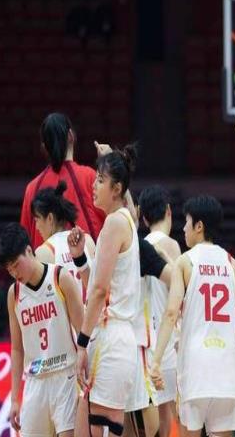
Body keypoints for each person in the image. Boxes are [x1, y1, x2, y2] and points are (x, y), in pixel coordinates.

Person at [150, 195, 235, 437]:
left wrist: (156, 360)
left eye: (187, 222)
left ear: (199, 226)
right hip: (227, 370)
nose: (183, 228)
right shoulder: (232, 263)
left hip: (195, 368)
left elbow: (171, 314)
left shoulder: (185, 262)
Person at [74, 145, 141, 437]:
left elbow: (100, 292)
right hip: (117, 339)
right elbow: (99, 286)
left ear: (116, 189)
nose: (94, 185)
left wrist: (81, 344)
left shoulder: (115, 223)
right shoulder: (125, 220)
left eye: (100, 180)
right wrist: (80, 258)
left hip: (110, 338)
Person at [0, 223, 83, 436]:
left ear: (29, 250)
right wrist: (14, 399)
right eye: (9, 269)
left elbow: (83, 331)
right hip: (35, 381)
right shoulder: (14, 294)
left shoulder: (60, 278)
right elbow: (17, 349)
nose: (14, 273)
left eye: (16, 265)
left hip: (66, 375)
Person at [20, 112, 105, 249]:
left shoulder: (32, 188)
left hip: (46, 262)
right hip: (87, 261)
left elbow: (23, 245)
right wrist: (111, 163)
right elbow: (123, 215)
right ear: (71, 136)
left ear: (44, 147)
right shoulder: (90, 177)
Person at [137, 185, 182, 437]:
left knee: (159, 423)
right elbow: (180, 292)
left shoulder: (139, 247)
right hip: (169, 341)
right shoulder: (170, 245)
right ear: (168, 211)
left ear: (143, 218)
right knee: (180, 418)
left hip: (146, 343)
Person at [31, 180, 96, 303]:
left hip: (67, 316)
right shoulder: (88, 241)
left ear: (50, 218)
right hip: (93, 314)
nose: (37, 227)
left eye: (37, 220)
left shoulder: (43, 253)